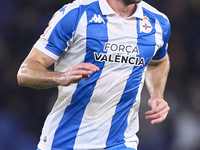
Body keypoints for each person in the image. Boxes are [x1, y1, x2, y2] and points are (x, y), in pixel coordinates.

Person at [17, 0, 170, 149]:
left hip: (119, 142)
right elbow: (25, 72)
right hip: (64, 141)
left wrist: (156, 95)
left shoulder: (157, 22)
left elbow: (159, 61)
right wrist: (61, 76)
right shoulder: (77, 14)